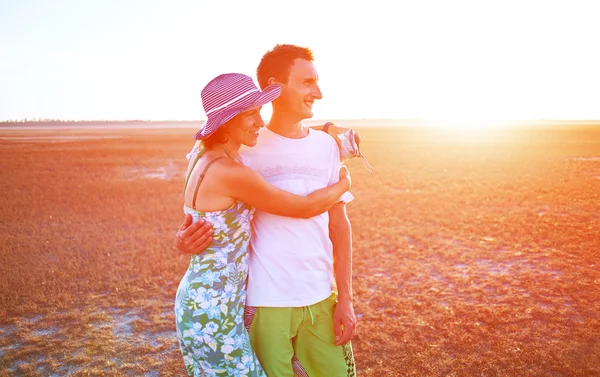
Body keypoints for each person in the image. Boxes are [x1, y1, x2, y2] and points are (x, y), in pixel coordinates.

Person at [177, 44, 358, 377]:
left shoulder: (326, 147)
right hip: (261, 303)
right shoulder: (239, 155)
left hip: (319, 296)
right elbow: (203, 197)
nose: (317, 92)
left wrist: (345, 298)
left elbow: (340, 226)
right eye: (306, 82)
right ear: (275, 86)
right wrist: (345, 182)